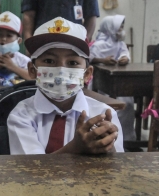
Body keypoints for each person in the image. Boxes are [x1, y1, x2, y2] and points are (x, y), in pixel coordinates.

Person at [7, 17, 124, 155]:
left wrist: (108, 147)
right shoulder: (21, 115)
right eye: (49, 61)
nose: (61, 70)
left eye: (72, 63)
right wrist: (75, 148)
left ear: (87, 74)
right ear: (32, 70)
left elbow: (116, 169)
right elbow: (32, 170)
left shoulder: (103, 114)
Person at [89, 15, 135, 143]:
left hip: (119, 82)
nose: (121, 30)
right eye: (119, 27)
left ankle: (127, 139)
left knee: (127, 104)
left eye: (122, 27)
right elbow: (89, 58)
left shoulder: (120, 44)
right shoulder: (98, 45)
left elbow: (125, 54)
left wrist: (124, 59)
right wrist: (103, 60)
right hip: (101, 84)